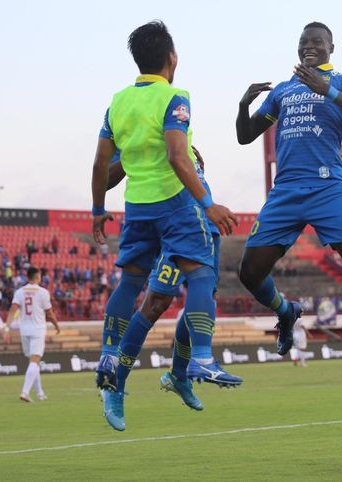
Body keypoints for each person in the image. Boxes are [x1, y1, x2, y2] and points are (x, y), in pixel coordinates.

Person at [91, 20, 239, 431]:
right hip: (177, 210)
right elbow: (175, 157)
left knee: (136, 287)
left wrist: (96, 208)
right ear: (172, 59)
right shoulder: (176, 98)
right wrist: (207, 202)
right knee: (191, 283)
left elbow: (107, 165)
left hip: (139, 208)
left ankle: (119, 359)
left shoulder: (117, 103)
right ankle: (196, 362)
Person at [235, 21, 342, 356]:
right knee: (249, 271)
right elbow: (246, 135)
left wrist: (326, 90)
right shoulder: (283, 90)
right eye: (304, 43)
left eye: (317, 42)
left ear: (332, 47)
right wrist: (243, 106)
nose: (309, 47)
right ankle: (286, 312)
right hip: (286, 190)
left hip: (327, 187)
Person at [2, 267, 60, 402]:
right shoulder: (43, 292)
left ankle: (40, 393)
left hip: (25, 331)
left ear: (27, 277)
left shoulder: (20, 292)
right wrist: (57, 325)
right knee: (35, 362)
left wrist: (7, 327)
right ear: (38, 276)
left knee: (33, 363)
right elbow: (50, 314)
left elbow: (12, 311)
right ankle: (25, 392)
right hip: (38, 330)